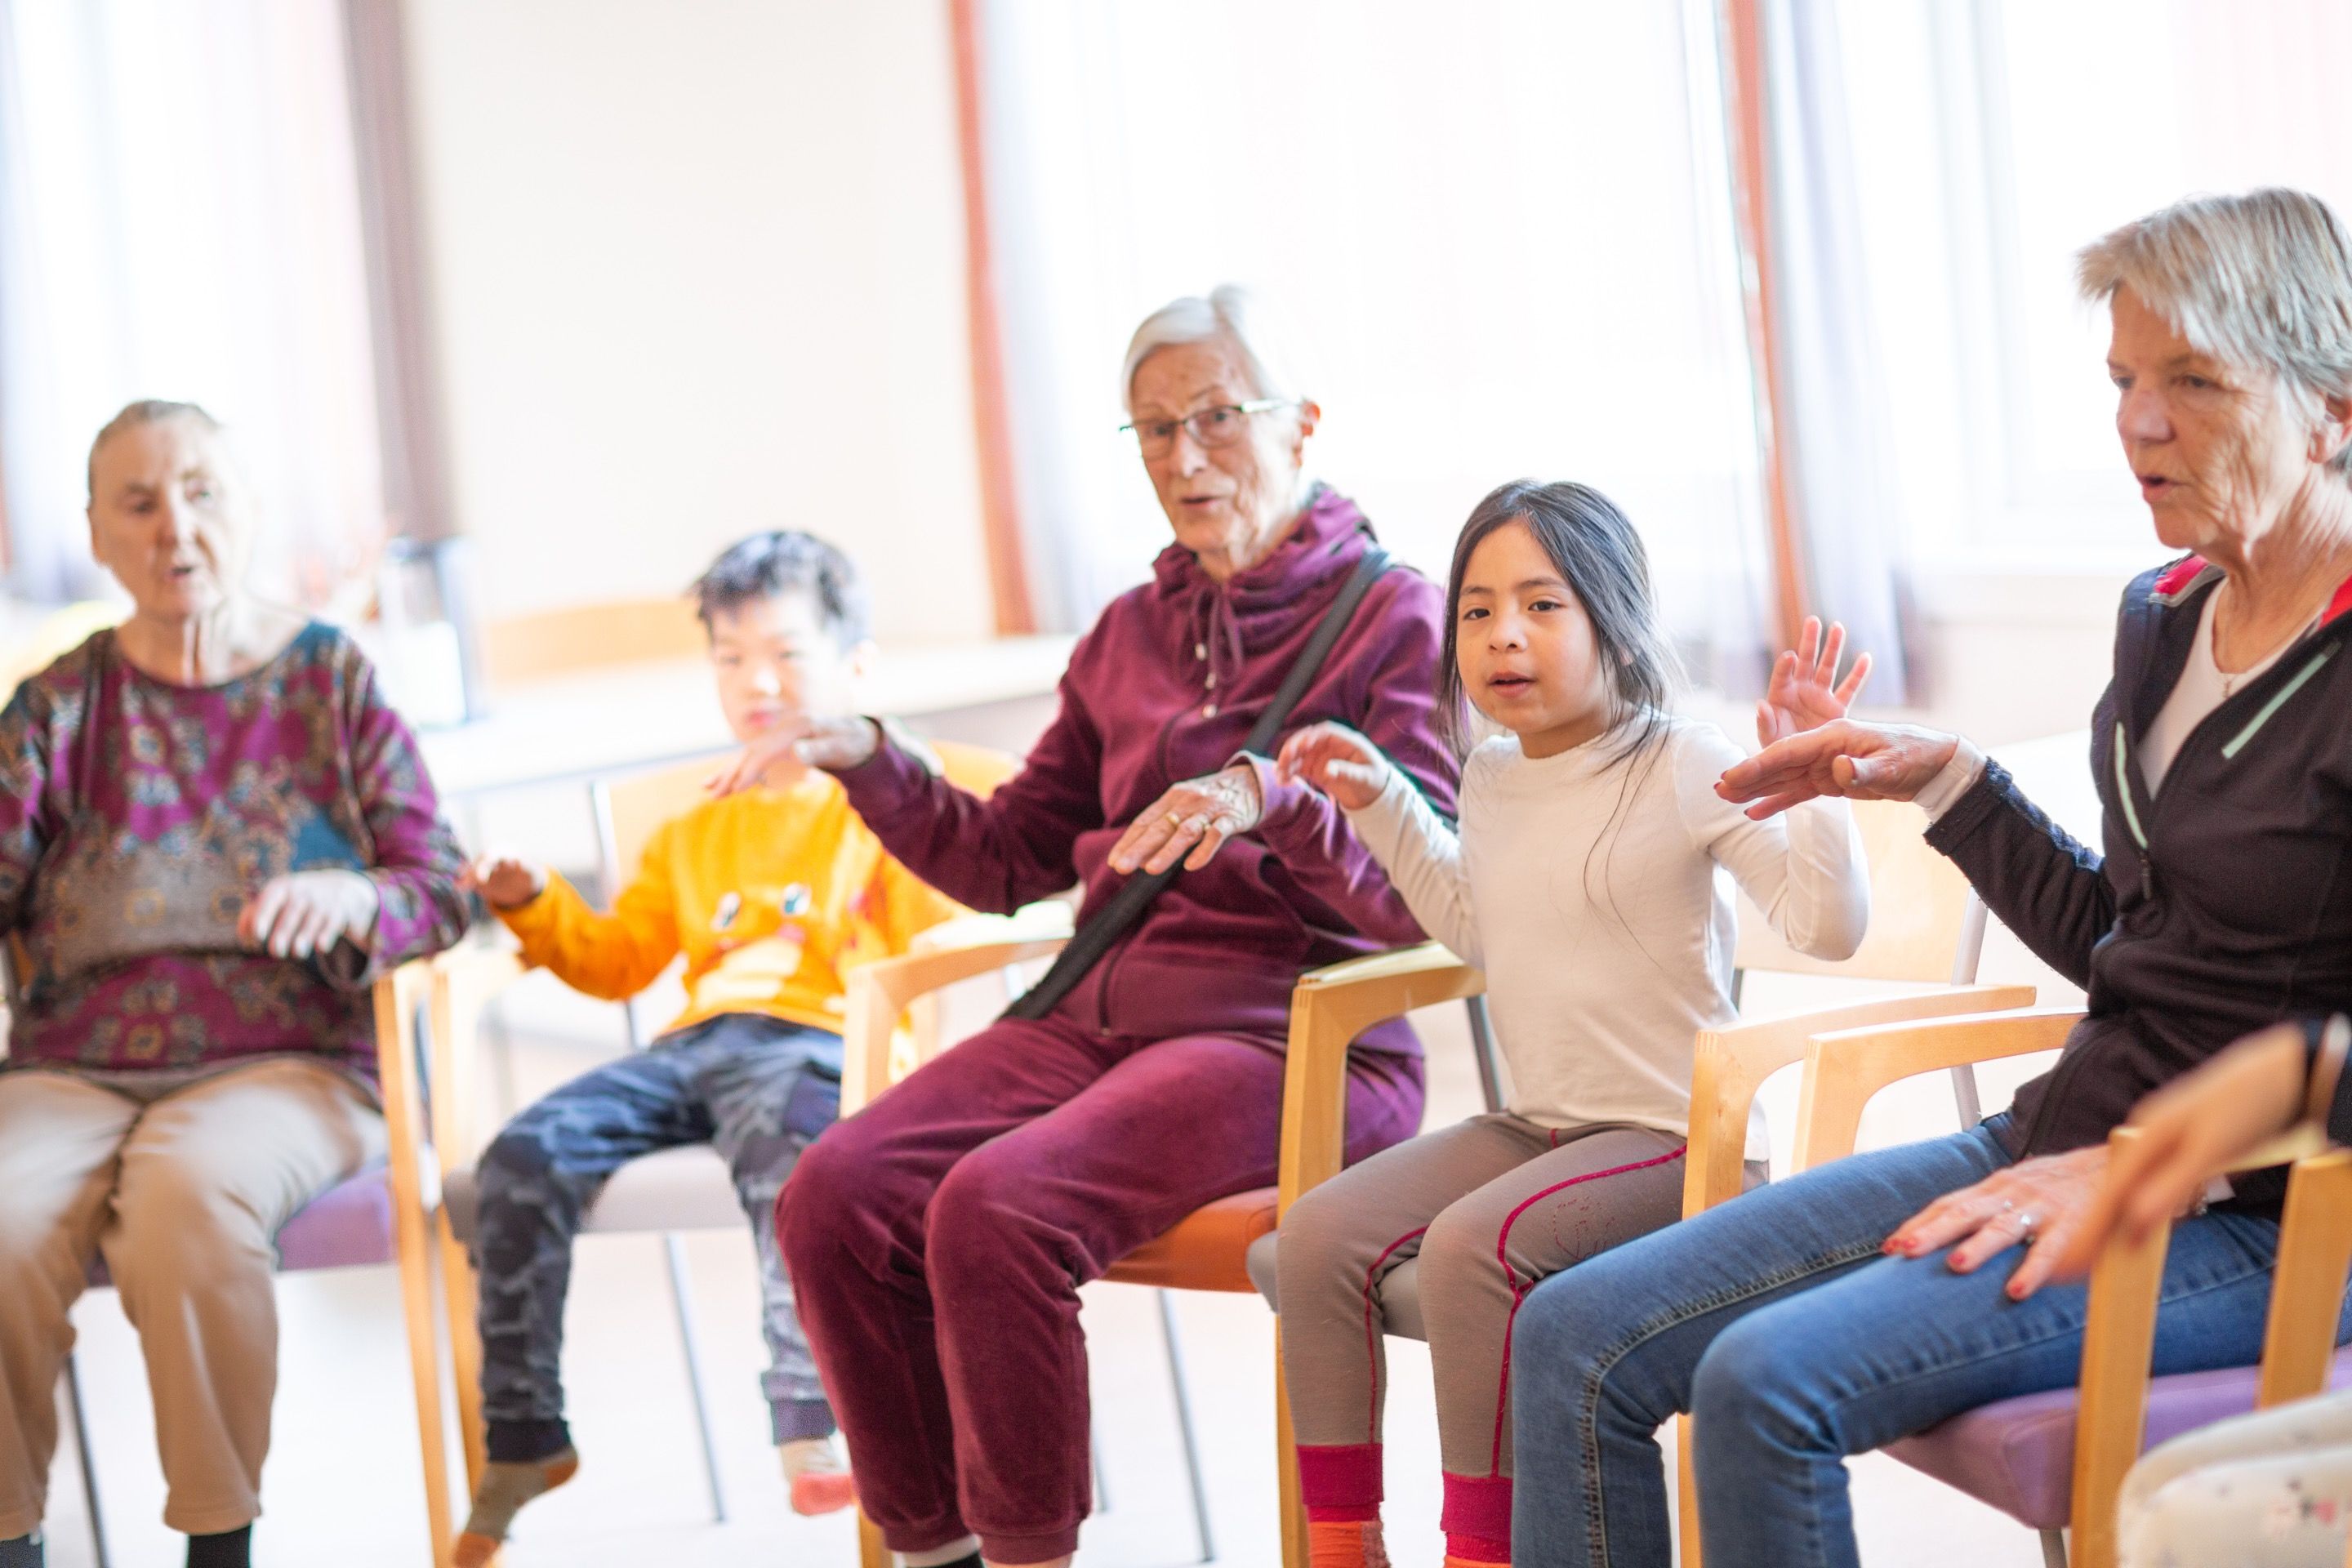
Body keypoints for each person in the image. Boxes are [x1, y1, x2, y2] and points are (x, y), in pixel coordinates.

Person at [1505, 186, 2352, 1568]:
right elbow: (2135, 945)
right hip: (2066, 1138)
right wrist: (1949, 785)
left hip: (2267, 1206)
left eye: (2193, 380)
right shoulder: (2164, 617)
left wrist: (2161, 1161)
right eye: (2125, 380)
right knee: (1574, 1337)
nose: (2140, 423)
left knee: (1767, 1387)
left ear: (2333, 407)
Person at [735, 286, 1456, 1568]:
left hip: (1294, 1032)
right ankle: (933, 1549)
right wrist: (868, 759)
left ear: (1305, 424)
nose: (1185, 458)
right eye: (1153, 431)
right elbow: (1010, 856)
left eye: (1217, 418)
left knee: (996, 1210)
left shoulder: (1395, 619)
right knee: (833, 1194)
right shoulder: (1127, 634)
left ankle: (1026, 1553)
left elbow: (1413, 904)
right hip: (1097, 1010)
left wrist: (1273, 802)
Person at [1270, 481, 1871, 1568]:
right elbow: (1477, 927)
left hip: (1673, 1141)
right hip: (1540, 1127)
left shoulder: (1681, 761)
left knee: (1468, 1250)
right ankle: (1341, 1546)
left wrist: (1816, 780)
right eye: (1478, 610)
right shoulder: (1493, 772)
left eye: (1543, 605)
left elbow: (1825, 928)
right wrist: (1382, 805)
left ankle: (1484, 1553)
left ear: (1611, 618)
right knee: (1314, 1235)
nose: (1504, 635)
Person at [448, 532, 1000, 1565]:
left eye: (788, 654)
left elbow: (952, 923)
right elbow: (615, 962)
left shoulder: (891, 803)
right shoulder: (695, 826)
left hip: (821, 1043)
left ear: (856, 668)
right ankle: (524, 1431)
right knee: (525, 1150)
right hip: (694, 1046)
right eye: (732, 659)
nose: (759, 683)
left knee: (787, 1146)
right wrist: (532, 902)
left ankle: (810, 1414)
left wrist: (886, 762)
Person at [0, 401, 470, 1568]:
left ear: (248, 506)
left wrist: (361, 897)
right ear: (98, 536)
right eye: (141, 503)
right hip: (71, 1064)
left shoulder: (329, 680)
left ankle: (220, 1544)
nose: (178, 529)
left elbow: (441, 887)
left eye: (204, 492)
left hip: (288, 1060)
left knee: (187, 1199)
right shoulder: (58, 707)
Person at [2058, 1019, 2352, 1568]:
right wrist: (2312, 1068)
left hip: (2261, 1214)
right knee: (2157, 1487)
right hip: (2058, 1137)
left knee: (2190, 1523)